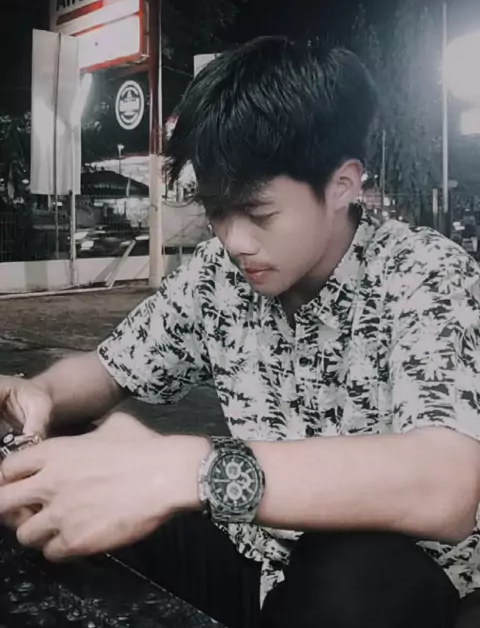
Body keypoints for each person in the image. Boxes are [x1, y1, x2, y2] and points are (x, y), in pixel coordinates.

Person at [0, 36, 479, 628]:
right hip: (253, 557)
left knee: (365, 571)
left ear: (342, 185)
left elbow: (445, 485)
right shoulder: (217, 276)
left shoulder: (423, 273)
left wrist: (190, 469)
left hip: (387, 589)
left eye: (258, 213)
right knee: (61, 465)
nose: (234, 240)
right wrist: (39, 394)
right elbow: (106, 370)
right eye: (217, 211)